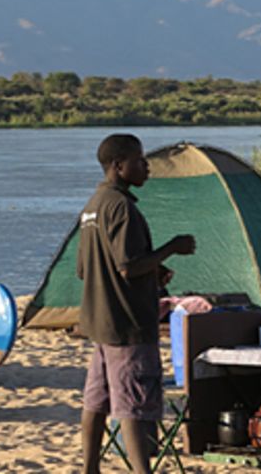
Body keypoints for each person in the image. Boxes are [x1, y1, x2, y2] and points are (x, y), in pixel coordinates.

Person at [79, 134, 196, 474]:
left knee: (97, 401)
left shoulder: (92, 206)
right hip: (127, 322)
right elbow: (128, 266)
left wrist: (154, 272)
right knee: (133, 403)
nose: (147, 167)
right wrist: (172, 246)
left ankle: (90, 468)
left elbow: (85, 268)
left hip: (100, 323)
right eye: (140, 161)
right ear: (118, 166)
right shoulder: (122, 208)